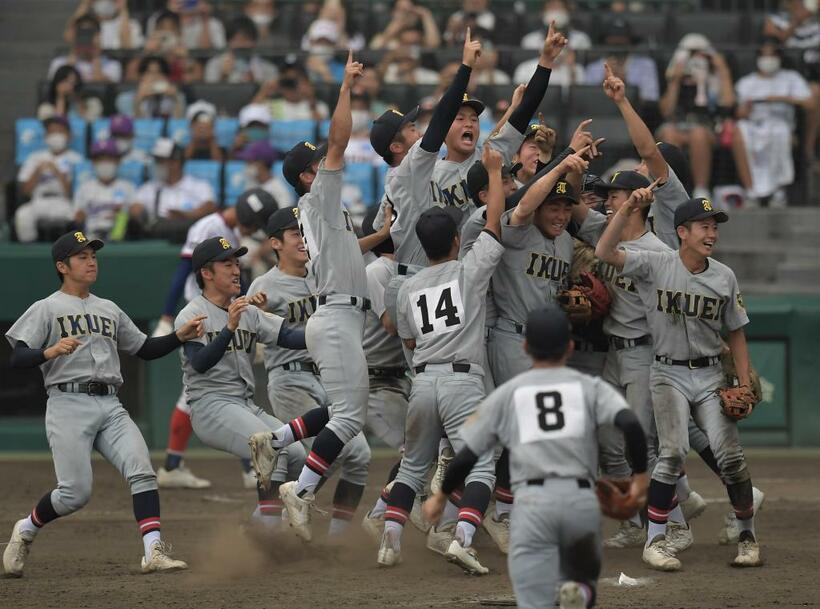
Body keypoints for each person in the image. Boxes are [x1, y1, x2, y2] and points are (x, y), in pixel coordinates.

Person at [3, 230, 203, 577]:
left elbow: (144, 349)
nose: (91, 260)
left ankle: (152, 551)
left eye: (93, 255)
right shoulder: (46, 308)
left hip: (110, 405)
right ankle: (26, 528)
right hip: (67, 403)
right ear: (62, 266)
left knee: (142, 470)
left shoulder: (108, 308)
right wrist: (48, 351)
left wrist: (178, 337)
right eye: (82, 256)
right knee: (74, 494)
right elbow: (17, 358)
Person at [422, 304, 649, 609]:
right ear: (569, 346)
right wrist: (640, 479)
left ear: (526, 346)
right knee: (582, 583)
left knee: (534, 601)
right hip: (580, 500)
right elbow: (632, 426)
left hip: (531, 504)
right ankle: (578, 590)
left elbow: (469, 454)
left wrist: (441, 495)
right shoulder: (589, 387)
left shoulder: (509, 393)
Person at [595, 193, 763, 571]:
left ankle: (748, 535)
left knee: (730, 456)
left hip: (708, 375)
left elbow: (736, 331)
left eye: (715, 226)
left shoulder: (724, 276)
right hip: (666, 372)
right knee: (671, 452)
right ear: (682, 232)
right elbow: (605, 251)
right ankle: (656, 541)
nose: (712, 233)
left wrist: (741, 378)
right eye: (704, 226)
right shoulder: (656, 264)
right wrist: (626, 208)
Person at [246, 52, 373, 544]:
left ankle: (275, 440)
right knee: (350, 416)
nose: (325, 161)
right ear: (307, 174)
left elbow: (345, 250)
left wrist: (381, 235)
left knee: (342, 409)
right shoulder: (319, 195)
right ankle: (299, 490)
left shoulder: (320, 211)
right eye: (316, 162)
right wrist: (344, 87)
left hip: (336, 311)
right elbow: (341, 137)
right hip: (337, 313)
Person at [378, 146, 508, 575]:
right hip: (462, 380)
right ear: (455, 240)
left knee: (413, 469)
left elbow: (408, 340)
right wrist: (493, 172)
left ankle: (390, 540)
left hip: (423, 382)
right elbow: (493, 222)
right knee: (482, 465)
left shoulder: (408, 288)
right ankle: (464, 539)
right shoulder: (467, 271)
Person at [247, 208, 372, 536]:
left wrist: (385, 233)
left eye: (304, 233)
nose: (303, 240)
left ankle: (336, 540)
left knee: (358, 456)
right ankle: (267, 521)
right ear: (275, 243)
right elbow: (243, 336)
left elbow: (350, 253)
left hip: (329, 375)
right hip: (291, 379)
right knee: (343, 449)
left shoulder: (322, 274)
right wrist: (255, 314)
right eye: (294, 234)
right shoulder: (264, 286)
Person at [174, 236, 307, 529]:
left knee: (297, 454)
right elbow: (199, 363)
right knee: (269, 448)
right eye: (227, 264)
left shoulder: (244, 309)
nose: (236, 270)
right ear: (207, 273)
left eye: (237, 263)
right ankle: (269, 537)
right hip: (210, 405)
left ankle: (259, 530)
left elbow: (287, 335)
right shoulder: (192, 314)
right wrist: (228, 329)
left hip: (244, 405)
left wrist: (324, 334)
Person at [153, 188, 277, 489]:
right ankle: (248, 466)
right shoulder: (210, 226)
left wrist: (248, 316)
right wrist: (167, 317)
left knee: (226, 392)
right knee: (210, 391)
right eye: (253, 224)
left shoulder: (228, 233)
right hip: (203, 316)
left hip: (222, 313)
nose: (252, 231)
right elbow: (183, 271)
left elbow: (237, 281)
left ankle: (175, 464)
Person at [734, 40, 813, 206]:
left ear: (779, 57)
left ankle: (778, 191)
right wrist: (747, 108)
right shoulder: (747, 82)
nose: (768, 59)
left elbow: (810, 103)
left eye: (772, 55)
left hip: (781, 124)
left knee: (779, 133)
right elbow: (739, 113)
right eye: (764, 55)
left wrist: (780, 99)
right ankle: (752, 192)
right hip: (753, 124)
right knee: (740, 131)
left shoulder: (791, 78)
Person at [658, 34, 736, 200]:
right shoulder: (673, 77)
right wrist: (675, 81)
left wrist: (722, 70)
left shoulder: (713, 79)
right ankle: (669, 189)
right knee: (669, 134)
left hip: (705, 127)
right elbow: (666, 111)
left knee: (698, 135)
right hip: (676, 125)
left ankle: (701, 190)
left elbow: (729, 103)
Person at [763, 0, 819, 158]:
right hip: (788, 71)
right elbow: (774, 43)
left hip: (814, 71)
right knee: (814, 92)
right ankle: (807, 152)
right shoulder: (775, 19)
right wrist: (796, 21)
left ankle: (809, 148)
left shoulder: (816, 19)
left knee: (815, 90)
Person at [15, 116, 83, 243]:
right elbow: (25, 192)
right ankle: (30, 251)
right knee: (22, 214)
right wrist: (37, 172)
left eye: (59, 131)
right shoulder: (34, 158)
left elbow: (77, 193)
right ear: (46, 136)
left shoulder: (77, 159)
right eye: (51, 132)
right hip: (39, 201)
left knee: (78, 217)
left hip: (65, 202)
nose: (55, 135)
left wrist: (58, 172)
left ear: (69, 135)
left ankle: (78, 248)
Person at [130, 138, 217, 236]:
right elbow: (135, 207)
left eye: (160, 161)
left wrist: (186, 215)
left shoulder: (199, 186)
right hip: (155, 235)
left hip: (187, 235)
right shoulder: (148, 187)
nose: (156, 165)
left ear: (175, 163)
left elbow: (210, 207)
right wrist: (145, 218)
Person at [584, 17, 659, 103]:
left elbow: (651, 102)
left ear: (630, 41)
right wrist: (604, 82)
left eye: (621, 38)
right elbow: (587, 102)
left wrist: (626, 85)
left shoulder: (646, 65)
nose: (617, 42)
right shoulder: (593, 68)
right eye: (613, 38)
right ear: (605, 40)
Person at [73, 140, 135, 241]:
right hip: (90, 240)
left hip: (119, 240)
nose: (105, 163)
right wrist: (81, 242)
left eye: (109, 159)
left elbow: (134, 218)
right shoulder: (84, 188)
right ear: (93, 162)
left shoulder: (128, 187)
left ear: (118, 161)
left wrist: (125, 213)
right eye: (100, 159)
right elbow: (76, 223)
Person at [48, 13, 122, 83]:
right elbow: (59, 87)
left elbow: (100, 86)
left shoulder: (112, 65)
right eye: (82, 32)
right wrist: (74, 50)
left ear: (98, 35)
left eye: (90, 32)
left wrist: (96, 54)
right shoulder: (58, 64)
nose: (86, 36)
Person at [204, 15, 277, 84]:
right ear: (228, 41)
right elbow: (210, 94)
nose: (241, 45)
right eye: (237, 40)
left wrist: (254, 82)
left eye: (246, 40)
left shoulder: (269, 68)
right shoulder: (214, 64)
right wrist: (224, 75)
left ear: (254, 41)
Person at [252, 60, 330, 121]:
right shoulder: (271, 106)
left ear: (305, 82)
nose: (290, 86)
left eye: (294, 81)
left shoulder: (319, 107)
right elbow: (251, 115)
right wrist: (265, 90)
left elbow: (322, 131)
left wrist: (311, 100)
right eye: (286, 81)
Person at [116, 56, 186, 119]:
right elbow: (132, 128)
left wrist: (175, 100)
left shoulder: (178, 97)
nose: (155, 77)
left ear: (166, 78)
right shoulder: (125, 99)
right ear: (141, 76)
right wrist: (138, 101)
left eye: (160, 73)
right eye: (150, 73)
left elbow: (178, 127)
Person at [236, 140, 295, 207]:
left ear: (261, 164)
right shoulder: (250, 184)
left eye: (249, 162)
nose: (246, 166)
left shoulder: (280, 193)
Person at [64, 0, 144, 50]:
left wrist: (123, 8)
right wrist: (85, 3)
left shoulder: (132, 24)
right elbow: (68, 36)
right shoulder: (89, 24)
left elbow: (127, 46)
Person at [147, 0, 226, 50]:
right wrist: (171, 14)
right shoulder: (156, 19)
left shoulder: (214, 24)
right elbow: (152, 49)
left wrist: (204, 20)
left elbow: (206, 51)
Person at [520, 0, 592, 51]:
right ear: (542, 13)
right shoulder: (530, 40)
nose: (555, 12)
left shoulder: (581, 39)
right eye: (551, 7)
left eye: (559, 7)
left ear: (568, 12)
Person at [370, 0, 441, 50]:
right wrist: (395, 26)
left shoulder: (419, 36)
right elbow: (374, 50)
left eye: (409, 11)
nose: (405, 15)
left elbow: (433, 46)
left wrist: (426, 15)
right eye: (401, 10)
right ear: (392, 13)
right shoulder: (385, 36)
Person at [303, 19, 347, 84]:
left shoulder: (343, 71)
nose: (322, 46)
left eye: (327, 42)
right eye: (318, 41)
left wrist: (325, 73)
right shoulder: (299, 67)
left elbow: (338, 92)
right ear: (310, 43)